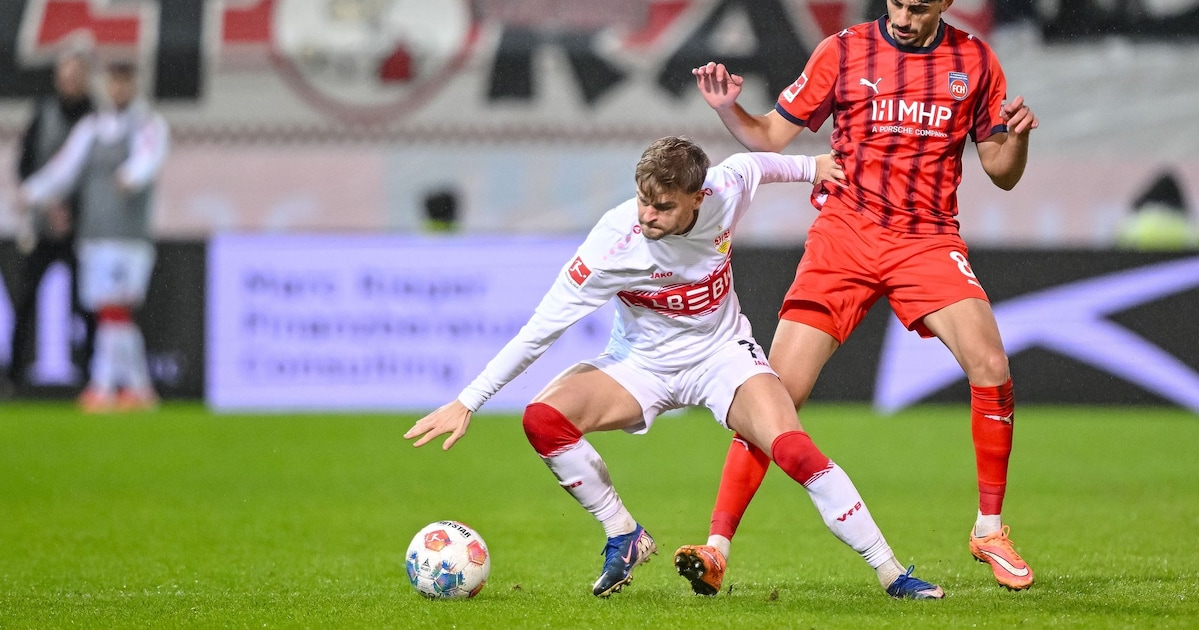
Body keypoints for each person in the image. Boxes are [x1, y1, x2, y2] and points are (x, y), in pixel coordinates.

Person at [405, 136, 944, 600]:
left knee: (793, 448)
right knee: (543, 419)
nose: (647, 216)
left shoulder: (724, 192)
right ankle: (623, 533)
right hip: (640, 364)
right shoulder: (611, 246)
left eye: (662, 206)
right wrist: (468, 400)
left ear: (696, 197)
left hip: (722, 356)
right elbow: (539, 330)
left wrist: (812, 166)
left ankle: (892, 572)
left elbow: (757, 164)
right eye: (643, 200)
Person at [682, 0, 1039, 593]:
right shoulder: (844, 50)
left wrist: (1018, 139)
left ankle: (990, 529)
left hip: (926, 239)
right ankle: (716, 547)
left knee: (991, 365)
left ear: (945, 3)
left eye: (917, 7)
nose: (902, 15)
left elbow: (1001, 168)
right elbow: (771, 132)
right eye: (895, 2)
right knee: (776, 394)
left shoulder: (975, 60)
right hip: (844, 237)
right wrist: (728, 110)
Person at [18, 61, 170, 412]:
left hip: (130, 235)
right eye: (113, 82)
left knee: (115, 309)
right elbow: (64, 169)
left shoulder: (147, 124)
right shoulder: (92, 128)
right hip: (95, 233)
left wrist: (132, 175)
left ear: (133, 85)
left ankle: (103, 385)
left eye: (124, 82)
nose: (118, 89)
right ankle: (137, 388)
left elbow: (149, 159)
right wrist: (35, 191)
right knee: (110, 313)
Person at [6, 49, 95, 393]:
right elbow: (26, 166)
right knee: (25, 301)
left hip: (80, 230)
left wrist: (72, 210)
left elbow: (95, 177)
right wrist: (47, 206)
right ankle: (12, 376)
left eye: (76, 75)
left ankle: (90, 378)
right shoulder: (43, 113)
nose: (69, 82)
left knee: (86, 307)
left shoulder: (95, 118)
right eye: (65, 75)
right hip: (43, 227)